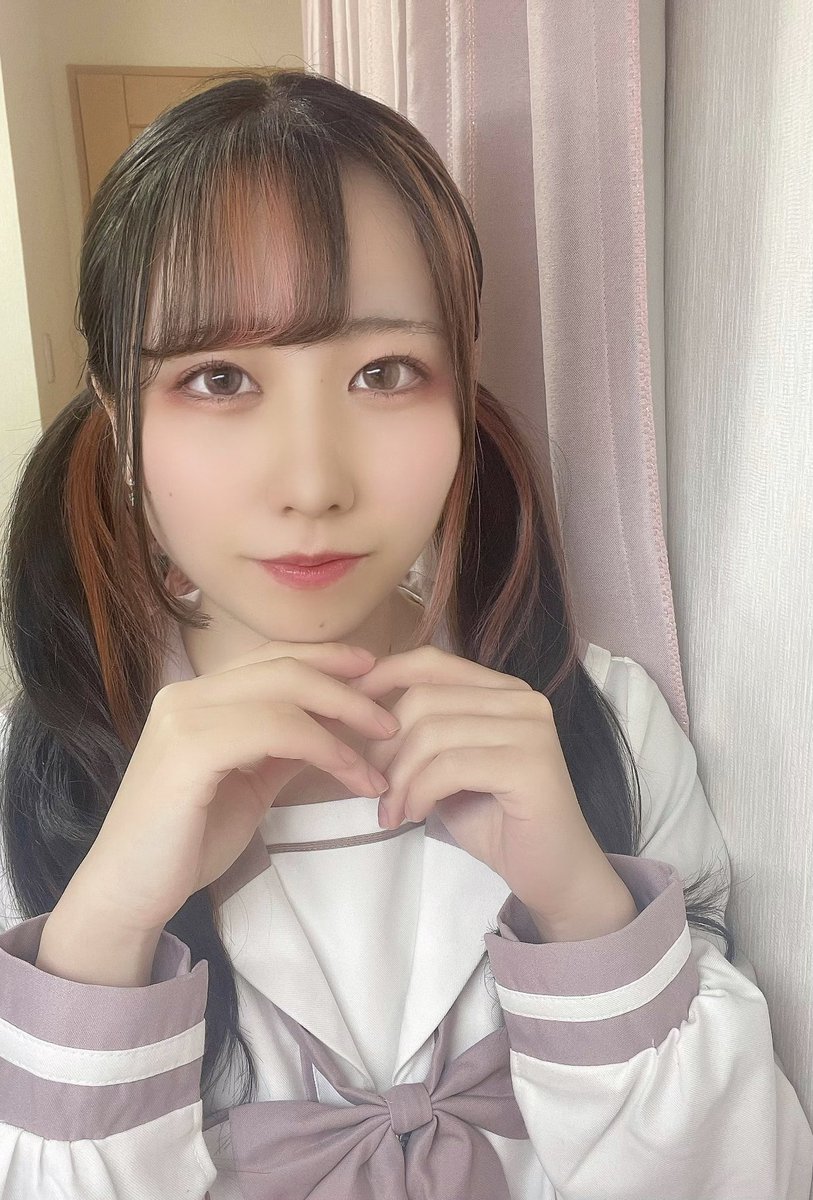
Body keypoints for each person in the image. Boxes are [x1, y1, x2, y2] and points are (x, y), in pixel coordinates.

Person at [0, 67, 810, 1200]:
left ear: (459, 390)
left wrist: (583, 907)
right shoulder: (37, 782)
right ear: (117, 420)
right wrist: (104, 928)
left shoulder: (602, 724)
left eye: (385, 373)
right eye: (218, 378)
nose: (312, 482)